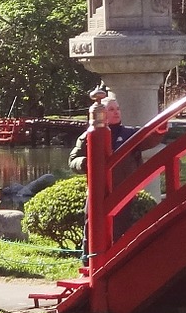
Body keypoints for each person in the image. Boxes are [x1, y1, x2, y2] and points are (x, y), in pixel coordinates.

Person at [69, 95, 168, 237]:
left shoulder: (130, 134)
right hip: (97, 192)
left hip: (124, 192)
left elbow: (150, 139)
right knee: (93, 230)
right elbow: (73, 160)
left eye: (118, 109)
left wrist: (161, 128)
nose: (116, 112)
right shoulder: (87, 136)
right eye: (111, 109)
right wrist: (86, 163)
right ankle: (90, 257)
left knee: (122, 231)